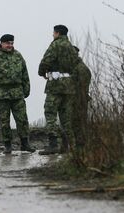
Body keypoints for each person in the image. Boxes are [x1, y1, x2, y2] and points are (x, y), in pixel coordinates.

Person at [0, 34, 35, 154]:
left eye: (11, 43)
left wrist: (27, 89)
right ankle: (7, 145)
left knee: (22, 119)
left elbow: (25, 74)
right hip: (1, 93)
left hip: (17, 92)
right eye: (7, 43)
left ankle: (25, 143)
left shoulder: (18, 55)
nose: (10, 46)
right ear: (1, 43)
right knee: (4, 120)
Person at [38, 24, 80, 155]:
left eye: (53, 33)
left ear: (57, 33)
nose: (52, 35)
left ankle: (53, 144)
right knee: (66, 117)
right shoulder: (72, 48)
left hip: (56, 85)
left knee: (50, 113)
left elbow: (46, 61)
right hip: (69, 86)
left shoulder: (55, 45)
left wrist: (41, 72)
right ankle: (71, 146)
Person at [71, 46, 92, 160]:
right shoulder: (71, 68)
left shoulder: (81, 68)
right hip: (71, 100)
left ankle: (81, 147)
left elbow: (83, 87)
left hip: (79, 100)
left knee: (79, 124)